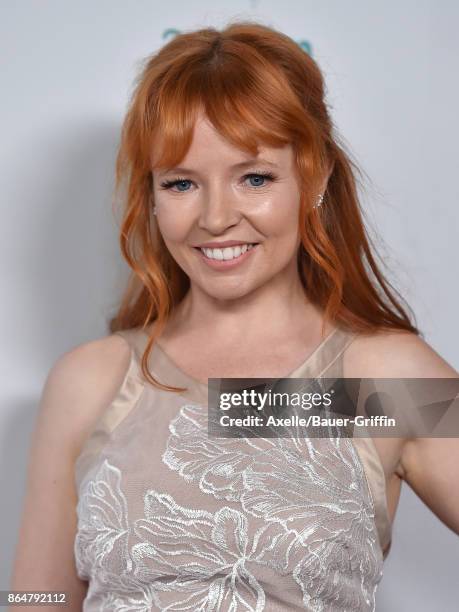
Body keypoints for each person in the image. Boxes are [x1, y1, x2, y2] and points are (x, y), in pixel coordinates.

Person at [10, 20, 459, 612]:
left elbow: (250, 407)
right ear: (150, 195)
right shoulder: (89, 381)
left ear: (315, 176)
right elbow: (35, 597)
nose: (216, 217)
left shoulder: (384, 381)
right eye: (181, 183)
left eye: (254, 178)